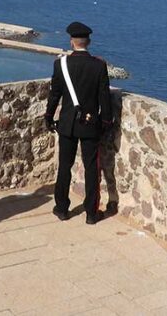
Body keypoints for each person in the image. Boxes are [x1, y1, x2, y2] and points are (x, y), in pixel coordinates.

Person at [44, 22, 112, 225]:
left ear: (71, 41)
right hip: (90, 123)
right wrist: (106, 122)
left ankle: (62, 208)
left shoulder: (61, 64)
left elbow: (54, 93)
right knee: (92, 168)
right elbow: (104, 98)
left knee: (65, 166)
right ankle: (91, 213)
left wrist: (48, 116)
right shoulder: (99, 65)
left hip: (67, 124)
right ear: (88, 42)